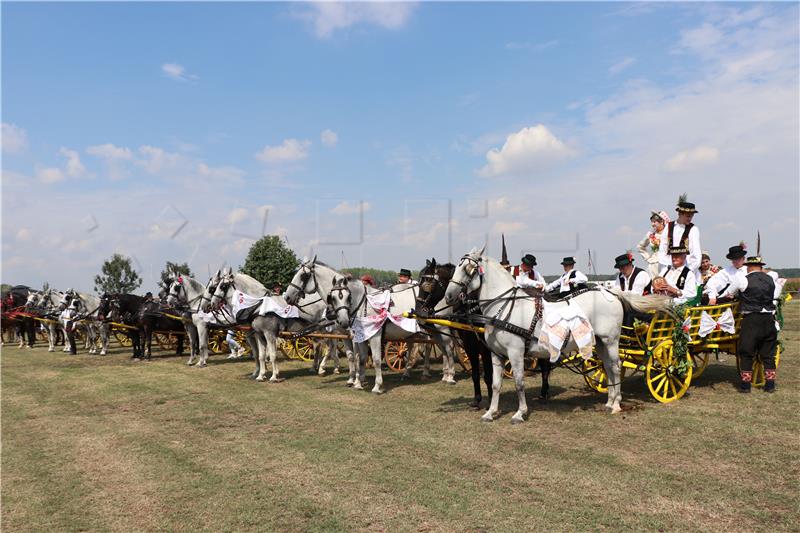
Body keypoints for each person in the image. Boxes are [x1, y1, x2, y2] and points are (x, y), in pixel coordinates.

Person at [718, 255, 781, 393]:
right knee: (768, 353)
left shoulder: (743, 279)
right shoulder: (772, 280)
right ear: (761, 267)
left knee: (746, 352)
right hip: (769, 319)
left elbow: (727, 293)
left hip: (751, 319)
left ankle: (746, 386)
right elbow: (776, 295)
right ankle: (770, 385)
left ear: (748, 267)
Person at [658, 194, 702, 282]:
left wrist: (687, 271)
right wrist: (666, 268)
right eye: (688, 216)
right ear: (680, 214)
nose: (690, 218)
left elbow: (696, 253)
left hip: (687, 269)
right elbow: (663, 249)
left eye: (692, 216)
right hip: (669, 267)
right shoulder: (668, 226)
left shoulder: (693, 229)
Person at [637, 210, 670, 278]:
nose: (652, 224)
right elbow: (640, 246)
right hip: (654, 264)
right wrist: (648, 258)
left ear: (662, 222)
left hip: (667, 264)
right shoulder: (651, 234)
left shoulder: (669, 234)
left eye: (655, 222)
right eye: (652, 222)